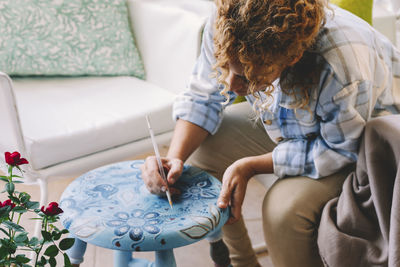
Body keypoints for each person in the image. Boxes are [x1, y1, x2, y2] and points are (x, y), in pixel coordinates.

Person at [140, 0, 400, 266]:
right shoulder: (227, 24)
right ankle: (242, 262)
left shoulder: (339, 64)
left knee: (282, 211)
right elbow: (203, 97)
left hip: (361, 140)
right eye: (227, 66)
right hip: (290, 122)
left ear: (292, 58)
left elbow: (339, 148)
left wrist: (252, 165)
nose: (231, 84)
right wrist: (174, 158)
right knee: (204, 154)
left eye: (247, 75)